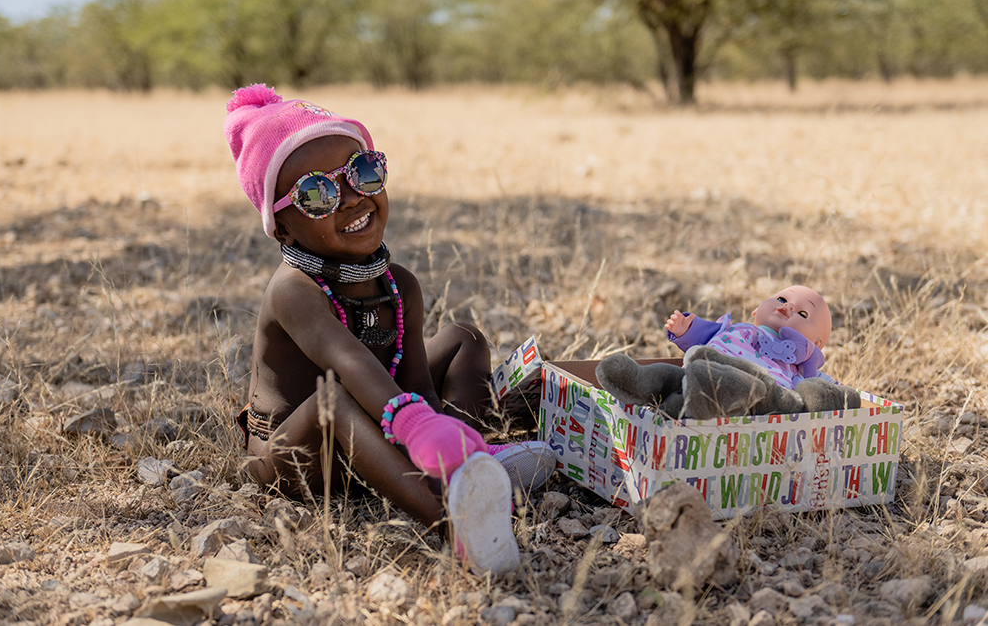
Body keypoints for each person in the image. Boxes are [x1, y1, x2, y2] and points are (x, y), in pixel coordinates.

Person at [223, 84, 553, 575]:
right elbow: (347, 360)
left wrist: (434, 422)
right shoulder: (293, 290)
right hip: (297, 454)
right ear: (284, 227)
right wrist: (415, 424)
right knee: (336, 394)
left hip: (381, 417)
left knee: (464, 338)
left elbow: (416, 384)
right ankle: (449, 519)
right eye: (317, 193)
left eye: (364, 171)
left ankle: (471, 463)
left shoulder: (399, 286)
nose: (353, 198)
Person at [596, 285, 861, 418]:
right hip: (695, 374)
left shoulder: (798, 364)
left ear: (815, 344)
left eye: (802, 313)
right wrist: (684, 330)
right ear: (756, 311)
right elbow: (703, 336)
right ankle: (639, 382)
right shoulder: (736, 330)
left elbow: (825, 387)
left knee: (723, 384)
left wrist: (839, 394)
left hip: (748, 402)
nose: (788, 307)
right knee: (675, 376)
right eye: (782, 299)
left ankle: (677, 407)